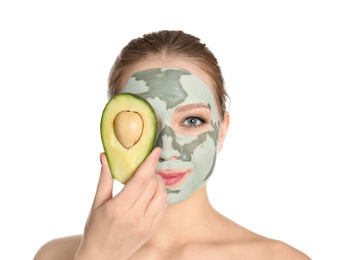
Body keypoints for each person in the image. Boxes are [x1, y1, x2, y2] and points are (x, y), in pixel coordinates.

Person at [34, 30, 310, 259]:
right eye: (141, 123)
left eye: (192, 121)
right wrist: (96, 254)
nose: (166, 150)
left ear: (222, 130)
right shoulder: (57, 255)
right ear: (112, 131)